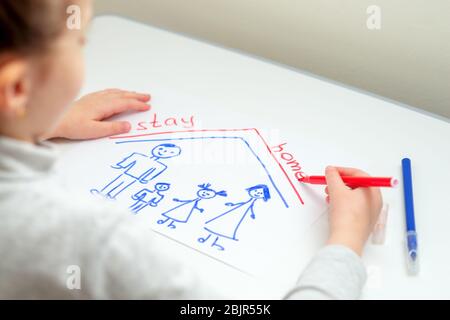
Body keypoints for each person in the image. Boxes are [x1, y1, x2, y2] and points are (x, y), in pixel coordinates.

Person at [0, 0, 382, 299]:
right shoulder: (89, 240)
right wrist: (346, 243)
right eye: (80, 42)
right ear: (17, 87)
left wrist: (38, 119)